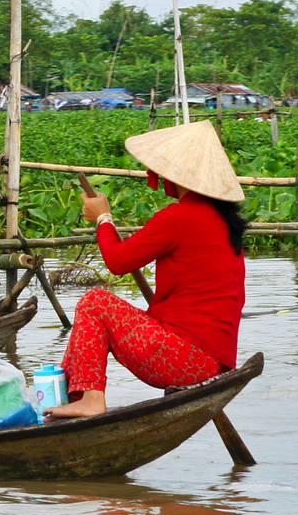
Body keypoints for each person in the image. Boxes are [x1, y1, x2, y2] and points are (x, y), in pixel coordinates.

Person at [48, 121, 248, 419]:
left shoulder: (181, 217)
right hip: (209, 360)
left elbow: (118, 262)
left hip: (186, 359)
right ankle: (70, 399)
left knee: (95, 303)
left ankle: (90, 400)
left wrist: (103, 219)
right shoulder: (221, 221)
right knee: (95, 316)